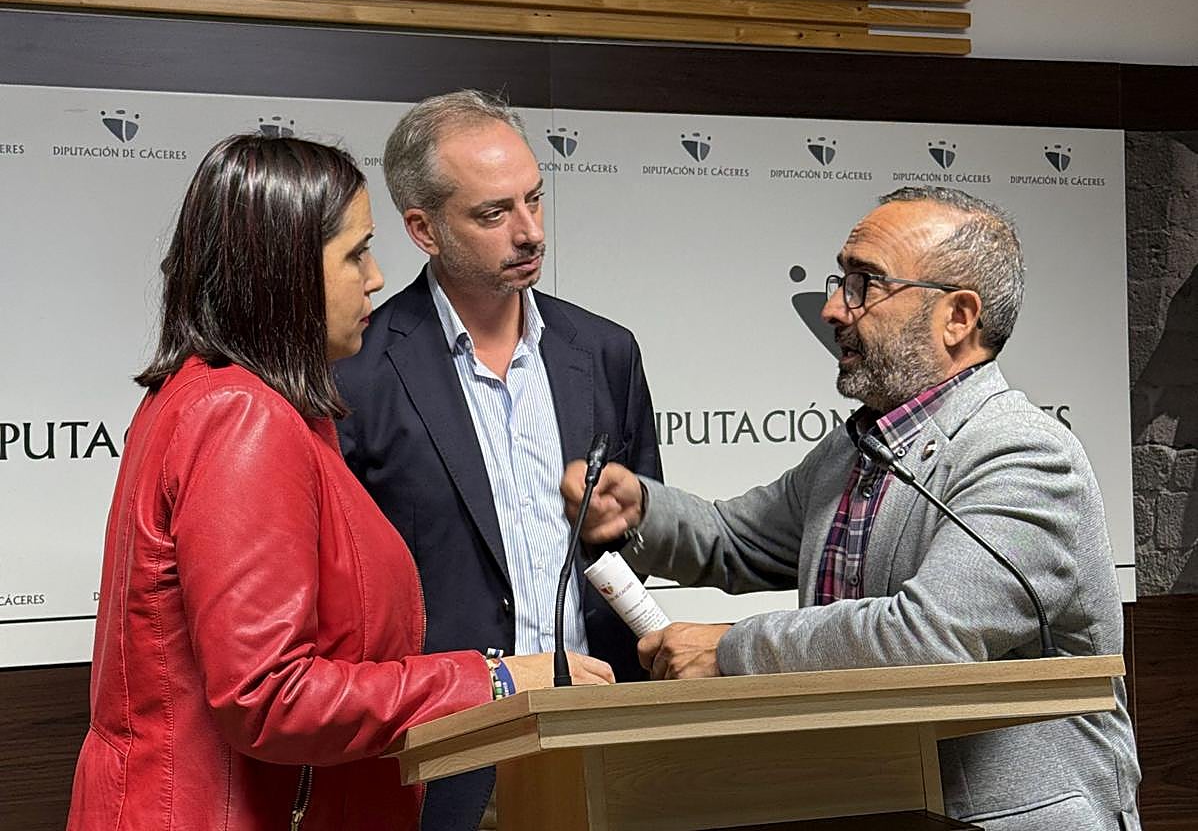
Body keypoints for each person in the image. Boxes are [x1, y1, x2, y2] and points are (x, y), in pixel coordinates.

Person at [66, 134, 612, 831]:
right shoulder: (241, 416)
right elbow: (269, 695)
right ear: (283, 271)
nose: (377, 277)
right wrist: (495, 680)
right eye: (355, 253)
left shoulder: (234, 400)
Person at [563, 186, 1141, 831]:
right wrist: (640, 510)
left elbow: (929, 639)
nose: (834, 308)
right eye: (842, 280)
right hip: (871, 800)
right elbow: (738, 539)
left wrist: (733, 651)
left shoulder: (1027, 456)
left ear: (958, 317)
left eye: (865, 284)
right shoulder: (856, 448)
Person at [334, 90, 662, 830]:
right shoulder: (356, 375)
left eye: (535, 201)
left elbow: (643, 533)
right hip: (452, 759)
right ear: (422, 229)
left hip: (605, 740)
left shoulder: (606, 353)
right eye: (493, 214)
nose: (530, 232)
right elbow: (349, 605)